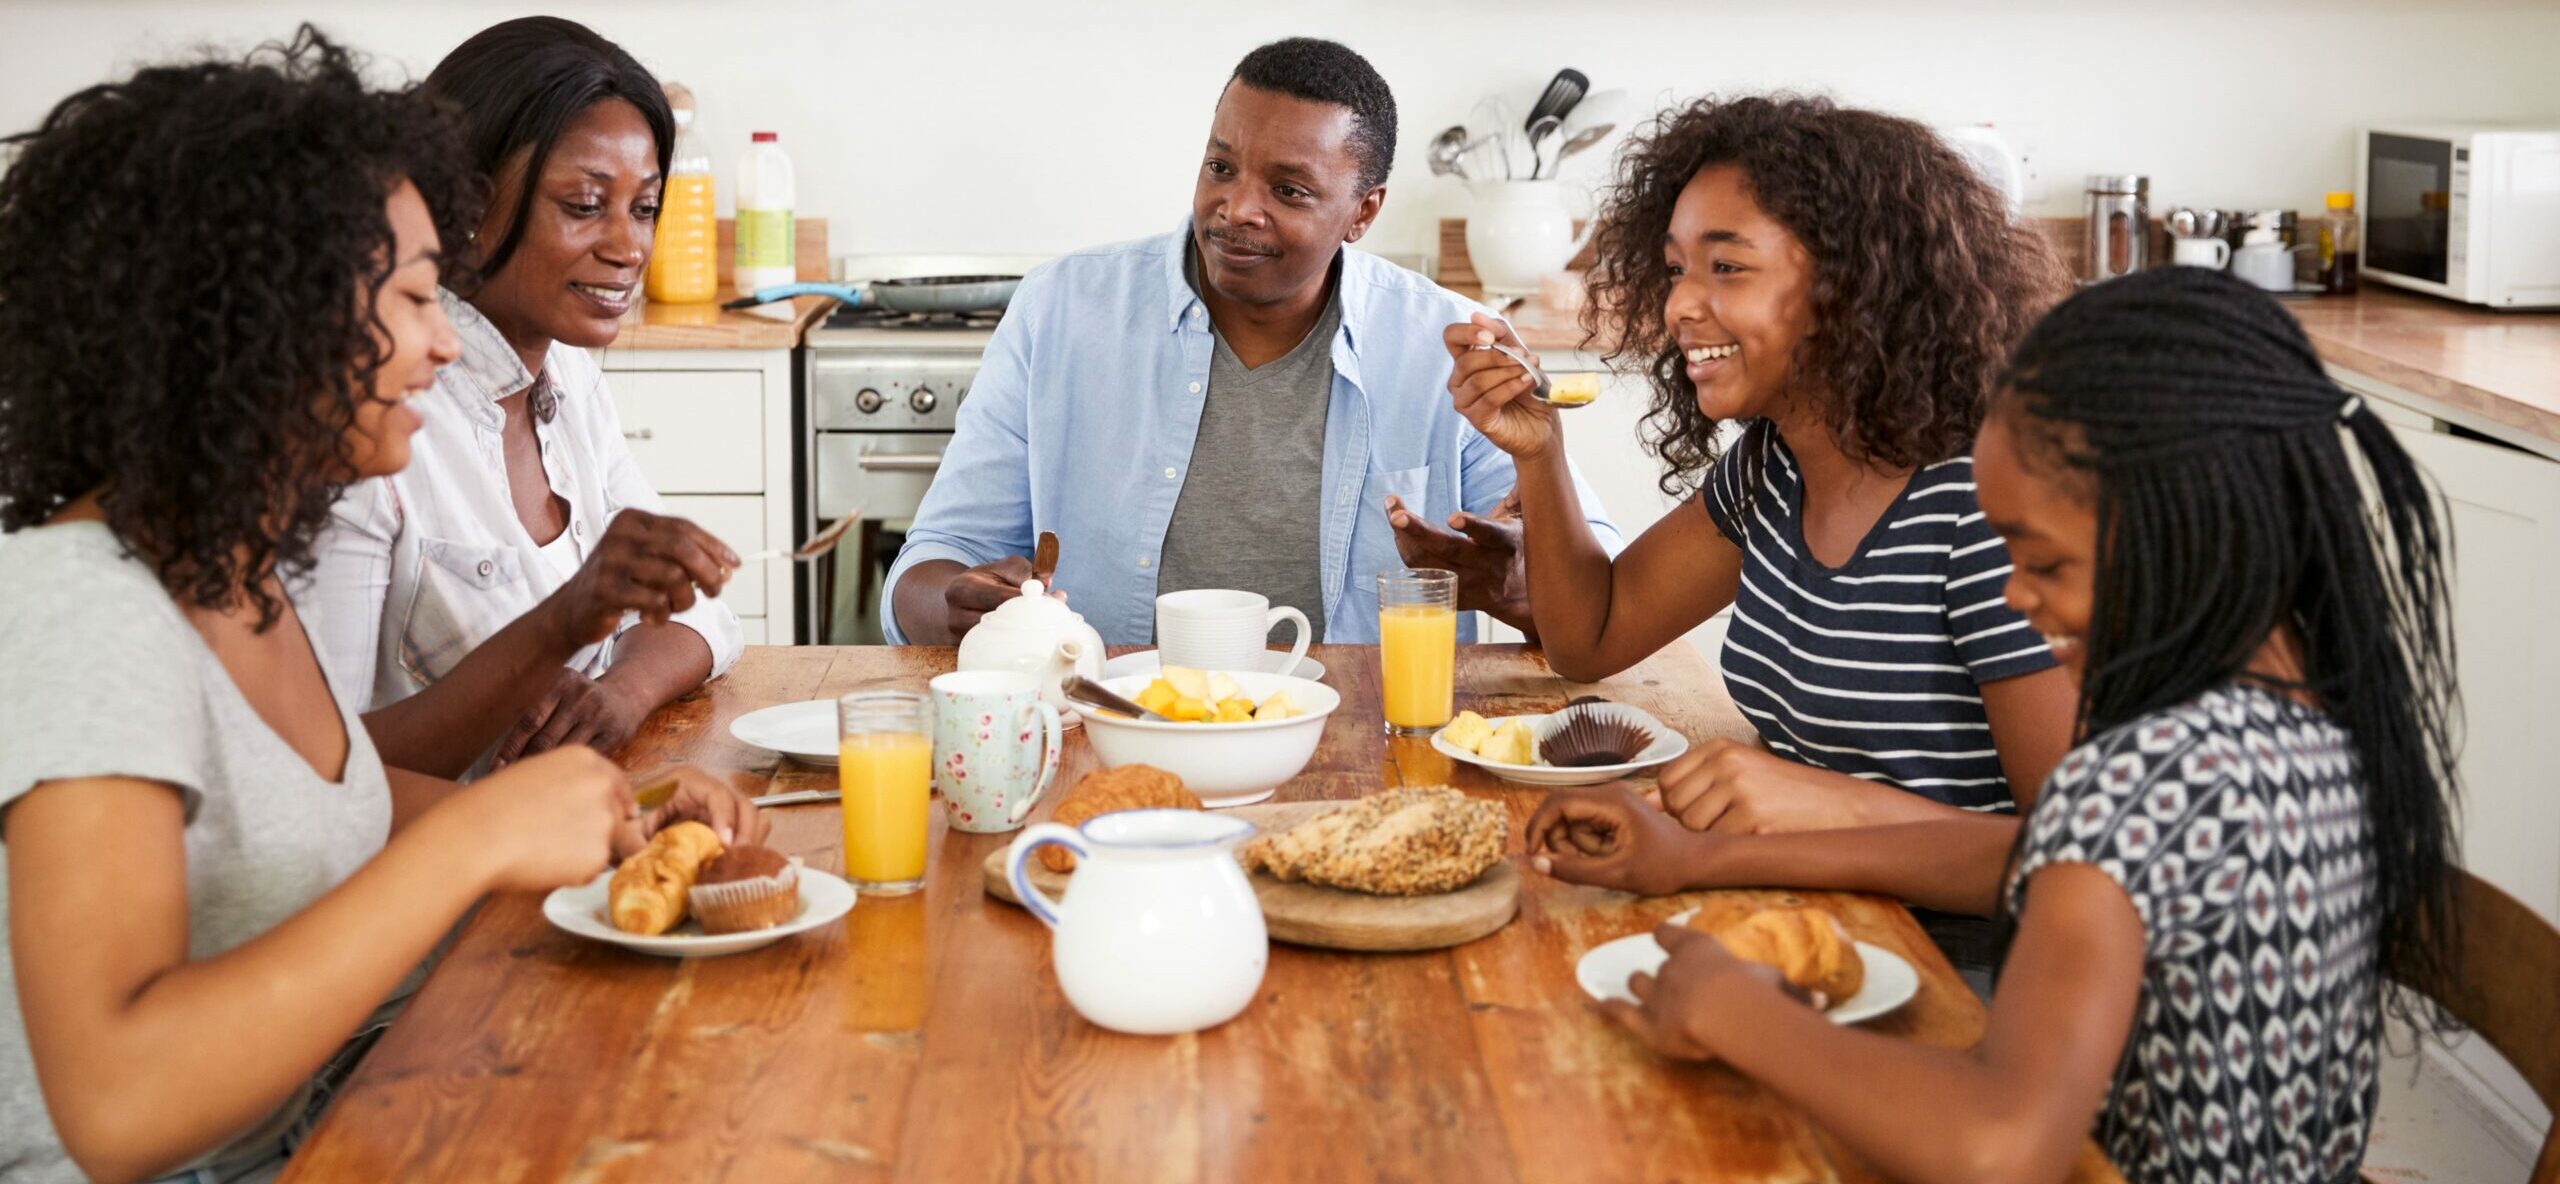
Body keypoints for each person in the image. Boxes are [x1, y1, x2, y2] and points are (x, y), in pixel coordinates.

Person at [0, 32, 763, 1184]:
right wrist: (470, 841)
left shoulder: (233, 572)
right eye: (412, 295)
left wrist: (618, 809)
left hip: (312, 1121)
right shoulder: (83, 609)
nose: (447, 339)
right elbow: (113, 1106)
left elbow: (331, 806)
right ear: (263, 319)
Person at [1527, 268, 2461, 1184]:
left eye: (2045, 564)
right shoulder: (2302, 722)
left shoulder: (2143, 772)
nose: (2015, 595)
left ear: (2188, 531)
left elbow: (2001, 1146)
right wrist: (1698, 863)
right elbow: (2041, 866)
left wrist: (1740, 1016)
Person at [1444, 95, 2078, 836]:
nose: (1680, 302)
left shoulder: (1986, 508)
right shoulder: (1771, 470)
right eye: (1676, 268)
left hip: (1956, 952)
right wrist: (1540, 449)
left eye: (1727, 266)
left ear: (1853, 284)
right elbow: (1591, 639)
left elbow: (2077, 856)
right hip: (1801, 903)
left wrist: (1814, 813)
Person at [884, 37, 1618, 648]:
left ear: (1362, 213)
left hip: (1363, 743)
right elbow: (922, 574)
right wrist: (957, 603)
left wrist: (1514, 581)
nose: (1235, 209)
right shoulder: (1061, 310)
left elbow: (1593, 600)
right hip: (1103, 729)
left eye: (1289, 191)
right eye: (1221, 167)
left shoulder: (1444, 343)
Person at [306, 16, 743, 780]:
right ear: (463, 206)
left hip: (558, 833)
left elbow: (703, 615)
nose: (630, 247)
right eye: (583, 205)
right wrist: (562, 628)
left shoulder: (569, 378)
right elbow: (321, 778)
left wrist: (620, 692)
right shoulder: (368, 423)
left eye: (643, 208)